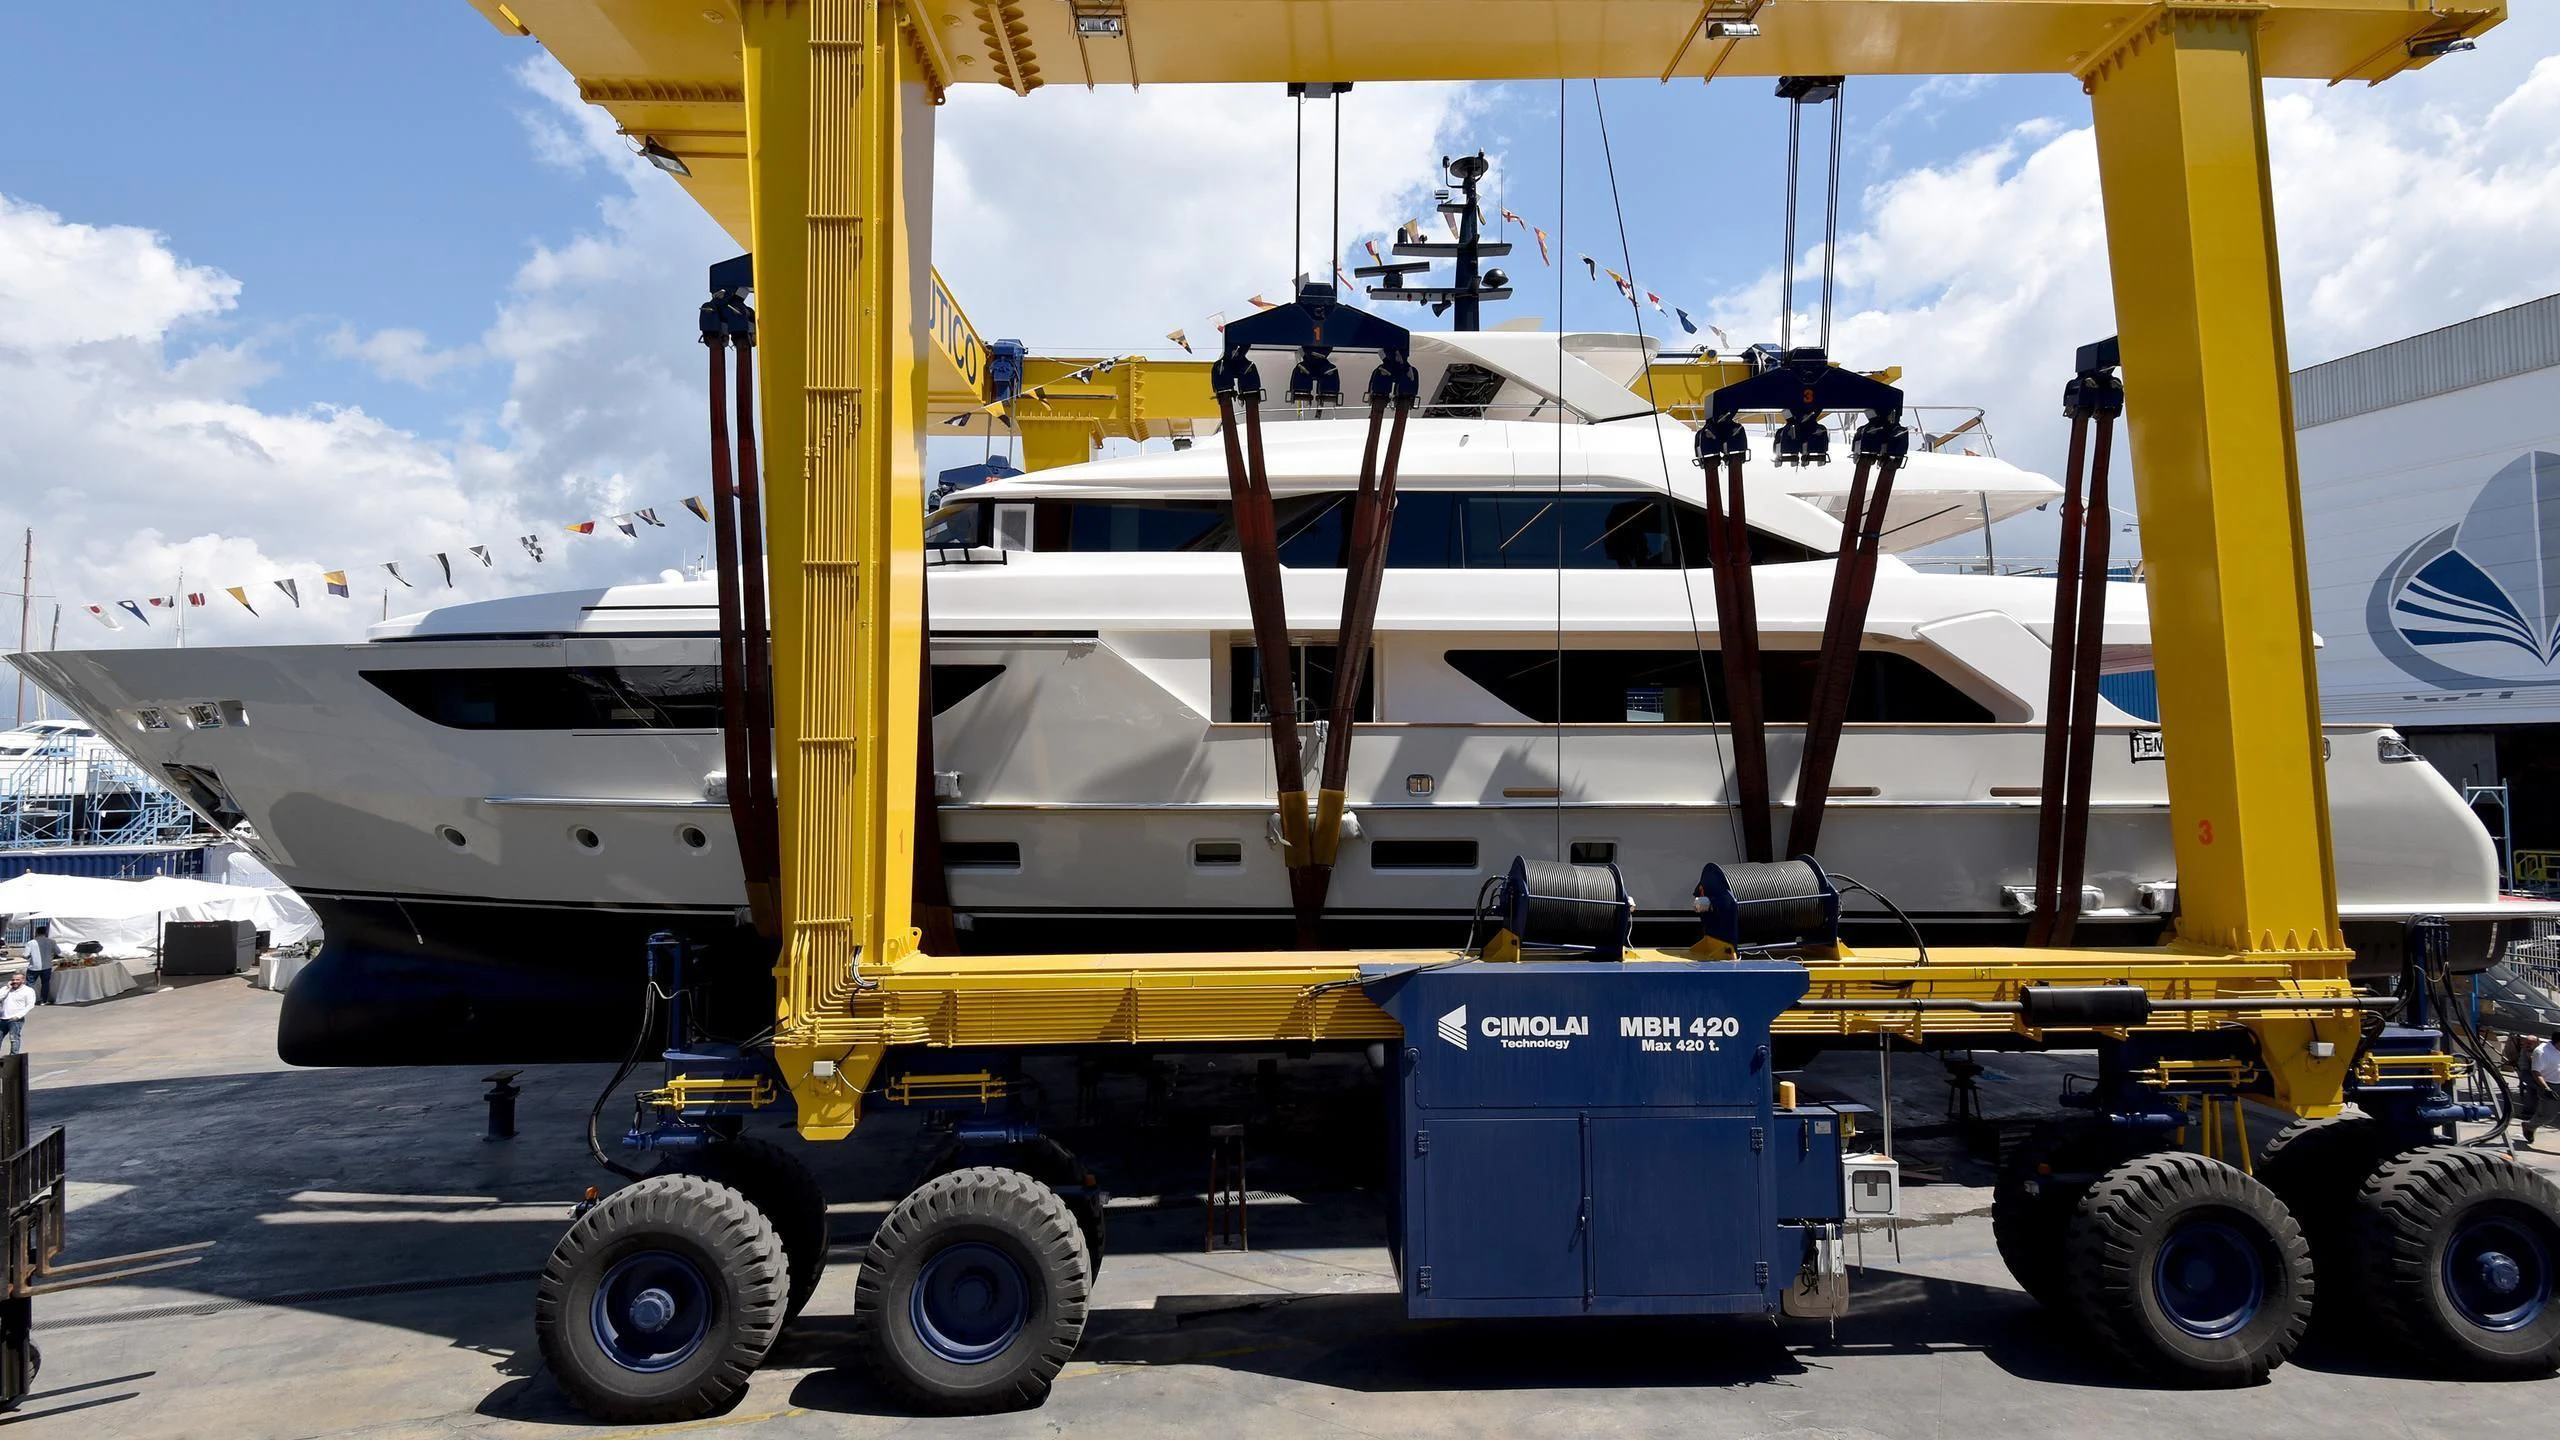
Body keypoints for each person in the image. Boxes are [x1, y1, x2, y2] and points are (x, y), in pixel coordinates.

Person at [2524, 1031, 2560, 1147]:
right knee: (2548, 1116)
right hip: (2550, 1085)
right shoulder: (2541, 1052)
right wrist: (2546, 1089)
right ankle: (2529, 1126)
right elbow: (2536, 1072)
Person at [0, 971, 32, 1055]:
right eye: (13, 979)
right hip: (2, 1018)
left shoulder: (28, 991)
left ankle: (13, 1057)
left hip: (15, 1020)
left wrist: (18, 1016)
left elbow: (30, 1005)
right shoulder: (5, 989)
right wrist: (8, 988)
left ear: (23, 980)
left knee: (14, 1038)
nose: (15, 981)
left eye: (17, 980)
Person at [25, 920, 56, 1005]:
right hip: (47, 966)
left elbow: (25, 955)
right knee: (45, 983)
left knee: (30, 984)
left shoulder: (30, 943)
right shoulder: (52, 942)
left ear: (36, 932)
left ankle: (28, 1001)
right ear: (46, 932)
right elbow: (58, 952)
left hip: (34, 966)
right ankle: (44, 1000)